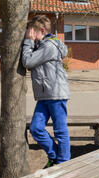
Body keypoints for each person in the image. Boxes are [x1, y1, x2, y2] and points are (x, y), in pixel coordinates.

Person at [22, 15, 71, 168]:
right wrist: (31, 42)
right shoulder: (41, 46)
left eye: (32, 32)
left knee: (60, 131)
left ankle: (63, 163)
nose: (30, 36)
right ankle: (55, 156)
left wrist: (28, 42)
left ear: (42, 31)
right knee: (36, 128)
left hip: (56, 93)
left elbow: (28, 62)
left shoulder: (49, 47)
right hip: (44, 95)